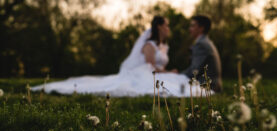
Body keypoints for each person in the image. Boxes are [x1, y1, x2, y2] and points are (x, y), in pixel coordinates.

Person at [32, 16, 212, 97]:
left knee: (175, 83)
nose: (168, 28)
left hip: (157, 72)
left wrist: (168, 72)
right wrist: (168, 72)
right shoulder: (149, 45)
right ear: (159, 27)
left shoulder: (163, 46)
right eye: (166, 25)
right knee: (146, 87)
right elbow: (151, 67)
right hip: (147, 73)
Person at [182, 15, 222, 93]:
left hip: (207, 86)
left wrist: (179, 74)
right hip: (213, 84)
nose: (190, 29)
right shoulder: (206, 41)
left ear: (201, 28)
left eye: (193, 26)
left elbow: (194, 71)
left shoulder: (201, 44)